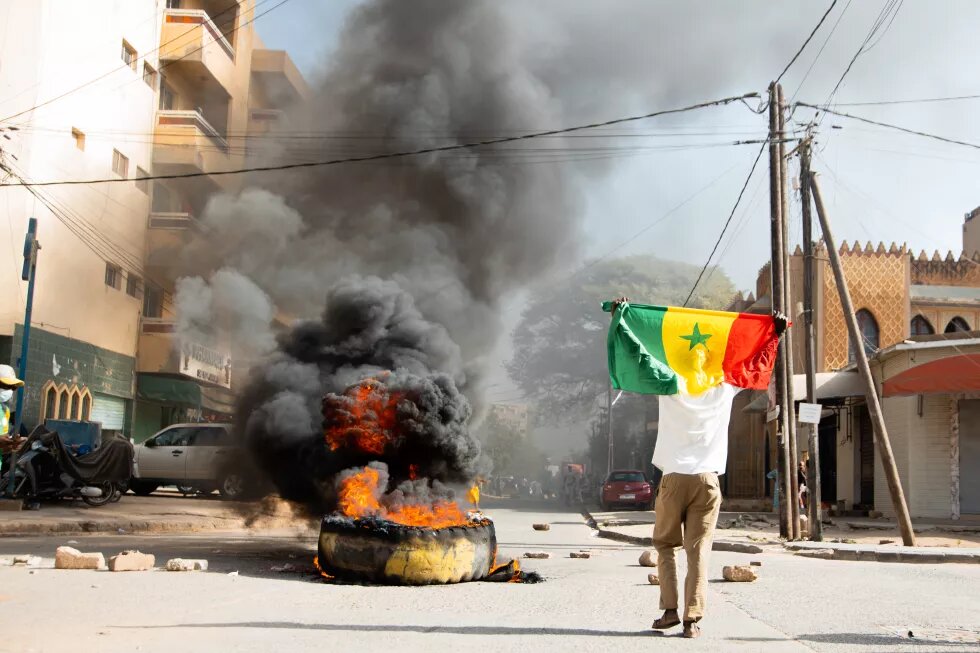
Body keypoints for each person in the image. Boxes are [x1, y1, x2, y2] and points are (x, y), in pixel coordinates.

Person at [649, 312, 788, 639]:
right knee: (698, 550)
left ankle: (669, 610)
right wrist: (774, 335)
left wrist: (621, 317)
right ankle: (692, 620)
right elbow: (755, 365)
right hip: (707, 481)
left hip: (673, 478)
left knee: (667, 546)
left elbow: (642, 356)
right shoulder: (723, 388)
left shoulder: (670, 383)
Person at [0, 364, 25, 473]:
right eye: (6, 386)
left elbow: (1, 448)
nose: (10, 390)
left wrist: (12, 445)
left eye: (13, 387)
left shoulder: (5, 411)